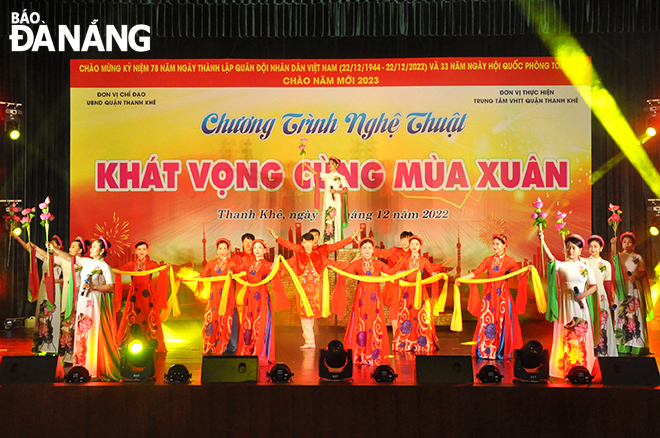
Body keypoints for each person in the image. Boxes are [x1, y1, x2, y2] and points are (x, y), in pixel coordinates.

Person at [50, 237, 121, 380]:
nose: (92, 248)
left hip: (95, 300)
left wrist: (93, 287)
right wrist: (55, 250)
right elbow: (71, 258)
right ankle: (81, 366)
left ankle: (93, 367)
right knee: (81, 333)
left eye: (95, 247)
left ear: (102, 251)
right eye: (92, 246)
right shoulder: (87, 262)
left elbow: (111, 287)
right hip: (83, 300)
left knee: (92, 332)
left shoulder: (105, 267)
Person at [456, 234, 527, 360]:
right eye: (493, 244)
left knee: (502, 322)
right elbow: (476, 272)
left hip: (503, 297)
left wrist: (528, 270)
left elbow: (520, 273)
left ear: (505, 245)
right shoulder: (488, 260)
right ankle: (485, 350)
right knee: (486, 321)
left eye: (498, 244)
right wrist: (461, 278)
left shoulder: (510, 261)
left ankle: (500, 350)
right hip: (489, 296)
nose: (495, 246)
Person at [538, 230, 597, 378]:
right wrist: (542, 240)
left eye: (574, 248)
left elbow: (594, 286)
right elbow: (550, 258)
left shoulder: (585, 268)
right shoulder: (561, 265)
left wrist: (583, 295)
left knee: (580, 333)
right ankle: (564, 367)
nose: (571, 250)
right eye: (568, 247)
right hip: (565, 304)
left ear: (580, 250)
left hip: (580, 304)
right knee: (565, 333)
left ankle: (582, 365)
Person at [334, 237, 398, 365]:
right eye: (364, 248)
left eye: (369, 248)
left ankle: (374, 352)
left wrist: (405, 272)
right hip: (361, 296)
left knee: (375, 322)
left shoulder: (379, 264)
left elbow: (392, 272)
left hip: (375, 297)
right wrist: (335, 268)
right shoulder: (357, 263)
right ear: (361, 250)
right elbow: (346, 272)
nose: (367, 250)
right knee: (361, 322)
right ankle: (360, 353)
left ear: (373, 249)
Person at [282, 232, 348, 349]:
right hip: (303, 291)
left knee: (310, 316)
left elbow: (334, 264)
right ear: (302, 243)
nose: (308, 245)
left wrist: (349, 264)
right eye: (305, 242)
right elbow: (285, 265)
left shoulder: (320, 257)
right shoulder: (296, 257)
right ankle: (310, 341)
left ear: (313, 243)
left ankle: (310, 341)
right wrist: (274, 265)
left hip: (316, 292)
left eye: (310, 242)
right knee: (305, 315)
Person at [234, 239, 289, 366]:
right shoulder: (248, 264)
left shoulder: (266, 264)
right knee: (248, 322)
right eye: (255, 248)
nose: (257, 250)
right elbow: (236, 268)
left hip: (261, 296)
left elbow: (276, 272)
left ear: (265, 250)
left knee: (261, 322)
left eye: (260, 248)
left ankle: (259, 351)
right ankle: (247, 349)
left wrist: (275, 263)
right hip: (249, 297)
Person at [391, 235, 449, 353]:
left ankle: (422, 341)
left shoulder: (423, 260)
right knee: (406, 316)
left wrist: (439, 275)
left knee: (422, 316)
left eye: (416, 244)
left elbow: (431, 272)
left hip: (420, 292)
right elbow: (395, 271)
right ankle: (405, 342)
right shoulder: (405, 259)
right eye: (412, 244)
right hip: (407, 292)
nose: (413, 246)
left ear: (420, 246)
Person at [12, 233, 65, 355]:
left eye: (52, 246)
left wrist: (54, 280)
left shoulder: (62, 260)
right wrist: (18, 238)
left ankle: (54, 346)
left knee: (53, 315)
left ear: (59, 247)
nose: (50, 248)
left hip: (55, 288)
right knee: (42, 314)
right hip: (44, 288)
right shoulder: (46, 257)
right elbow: (30, 250)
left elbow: (67, 278)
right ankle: (42, 345)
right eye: (49, 246)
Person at [116, 239, 167, 353]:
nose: (142, 251)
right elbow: (119, 271)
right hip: (134, 294)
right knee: (134, 316)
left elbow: (161, 270)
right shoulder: (131, 264)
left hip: (147, 294)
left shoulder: (152, 264)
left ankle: (149, 341)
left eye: (144, 249)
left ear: (147, 251)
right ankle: (132, 340)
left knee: (148, 315)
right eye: (139, 249)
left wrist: (165, 269)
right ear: (136, 251)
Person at [610, 232, 651, 355]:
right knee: (621, 314)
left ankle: (637, 344)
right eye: (624, 242)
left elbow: (643, 272)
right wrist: (613, 244)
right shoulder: (618, 256)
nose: (626, 244)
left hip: (634, 288)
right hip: (621, 288)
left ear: (633, 245)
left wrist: (636, 277)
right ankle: (623, 344)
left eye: (629, 242)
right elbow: (613, 256)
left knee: (635, 314)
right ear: (621, 244)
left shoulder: (638, 257)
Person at [199, 238, 238, 355]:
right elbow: (202, 275)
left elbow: (240, 273)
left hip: (226, 296)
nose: (222, 251)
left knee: (224, 320)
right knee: (211, 320)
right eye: (220, 248)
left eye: (224, 249)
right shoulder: (212, 263)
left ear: (228, 250)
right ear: (217, 249)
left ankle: (221, 347)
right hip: (214, 297)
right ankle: (209, 346)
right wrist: (185, 279)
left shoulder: (231, 263)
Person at [373, 230, 413, 333]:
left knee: (407, 308)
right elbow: (380, 253)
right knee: (394, 309)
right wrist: (365, 245)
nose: (405, 242)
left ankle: (405, 333)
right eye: (403, 239)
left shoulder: (413, 254)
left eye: (407, 240)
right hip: (393, 285)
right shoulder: (394, 250)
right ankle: (396, 333)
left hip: (407, 285)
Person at [585, 235, 617, 357]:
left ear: (601, 248)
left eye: (595, 246)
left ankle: (604, 351)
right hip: (589, 296)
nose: (593, 249)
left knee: (603, 323)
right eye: (591, 246)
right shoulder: (584, 262)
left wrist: (610, 300)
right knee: (591, 322)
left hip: (602, 295)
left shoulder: (606, 264)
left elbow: (607, 284)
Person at [304, 156, 349, 244]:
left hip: (336, 200)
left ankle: (337, 241)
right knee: (327, 219)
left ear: (336, 165)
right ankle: (328, 241)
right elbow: (315, 173)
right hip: (328, 199)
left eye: (332, 164)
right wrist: (307, 166)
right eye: (329, 164)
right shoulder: (327, 176)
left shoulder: (341, 177)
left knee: (335, 219)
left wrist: (336, 191)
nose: (330, 165)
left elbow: (345, 190)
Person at [267, 226, 359, 257]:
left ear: (319, 237)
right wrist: (276, 236)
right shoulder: (301, 248)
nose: (314, 237)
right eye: (312, 236)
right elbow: (289, 245)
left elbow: (338, 245)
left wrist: (351, 238)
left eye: (316, 235)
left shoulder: (324, 248)